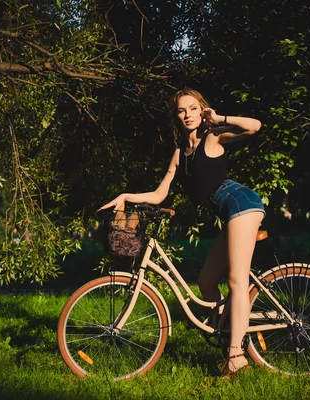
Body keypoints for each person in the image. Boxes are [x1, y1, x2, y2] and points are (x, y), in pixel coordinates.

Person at [98, 88, 265, 377]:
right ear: (176, 116)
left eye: (193, 108)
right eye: (181, 110)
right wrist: (126, 195)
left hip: (242, 203)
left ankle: (236, 354)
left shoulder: (212, 137)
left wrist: (219, 117)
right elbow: (159, 194)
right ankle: (229, 329)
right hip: (228, 213)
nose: (187, 115)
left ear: (202, 111)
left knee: (237, 280)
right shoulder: (180, 154)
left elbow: (254, 126)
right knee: (206, 282)